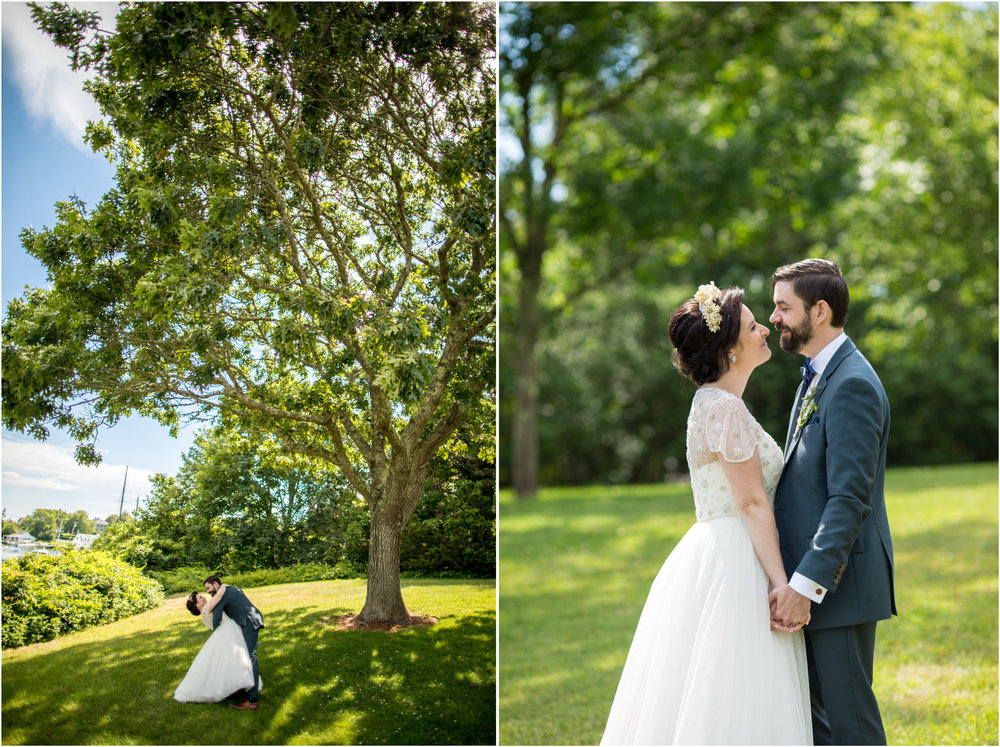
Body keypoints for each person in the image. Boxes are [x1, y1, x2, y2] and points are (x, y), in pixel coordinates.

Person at [600, 282, 811, 745]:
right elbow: (751, 501)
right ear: (730, 349)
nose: (764, 331)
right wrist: (781, 584)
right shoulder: (725, 408)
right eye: (754, 327)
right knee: (738, 687)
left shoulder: (710, 403)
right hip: (738, 558)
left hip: (715, 549)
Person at [768, 258, 896, 745]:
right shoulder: (818, 374)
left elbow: (848, 500)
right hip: (815, 582)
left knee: (851, 728)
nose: (774, 317)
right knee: (817, 727)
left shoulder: (853, 384)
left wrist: (806, 586)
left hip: (839, 587)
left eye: (783, 306)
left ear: (818, 311)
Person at [174, 582, 264, 705]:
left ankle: (239, 686)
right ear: (197, 605)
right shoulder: (206, 609)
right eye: (200, 598)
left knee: (232, 661)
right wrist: (223, 586)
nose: (204, 596)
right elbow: (220, 595)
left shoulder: (205, 612)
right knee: (240, 657)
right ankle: (241, 686)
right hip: (228, 632)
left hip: (228, 631)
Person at [202, 575, 266, 711]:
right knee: (246, 656)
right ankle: (242, 687)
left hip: (248, 622)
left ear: (215, 584)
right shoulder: (233, 588)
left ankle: (252, 701)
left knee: (250, 658)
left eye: (208, 588)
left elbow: (216, 621)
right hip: (253, 618)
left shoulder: (221, 595)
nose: (207, 591)